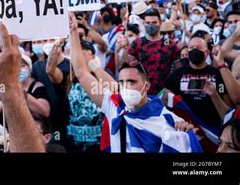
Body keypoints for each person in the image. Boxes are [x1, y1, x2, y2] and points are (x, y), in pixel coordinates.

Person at [68, 12, 201, 153]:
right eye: (122, 82)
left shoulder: (167, 119)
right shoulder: (114, 107)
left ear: (146, 86)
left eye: (132, 81)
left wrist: (186, 133)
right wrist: (73, 31)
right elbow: (82, 73)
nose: (127, 87)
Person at [164, 37, 233, 151]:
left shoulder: (217, 74)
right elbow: (167, 101)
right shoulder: (176, 75)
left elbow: (228, 107)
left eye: (199, 47)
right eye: (191, 48)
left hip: (212, 131)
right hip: (186, 129)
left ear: (207, 52)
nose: (195, 50)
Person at [125, 8, 180, 94]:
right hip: (142, 92)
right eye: (148, 23)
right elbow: (127, 67)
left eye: (154, 23)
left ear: (160, 23)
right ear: (144, 23)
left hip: (164, 92)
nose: (151, 25)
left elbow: (178, 70)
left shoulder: (169, 43)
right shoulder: (137, 43)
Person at [0, 53, 50, 121]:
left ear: (29, 69)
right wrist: (7, 99)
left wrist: (21, 92)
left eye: (22, 65)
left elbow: (45, 112)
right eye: (14, 66)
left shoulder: (37, 86)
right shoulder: (2, 87)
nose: (18, 69)